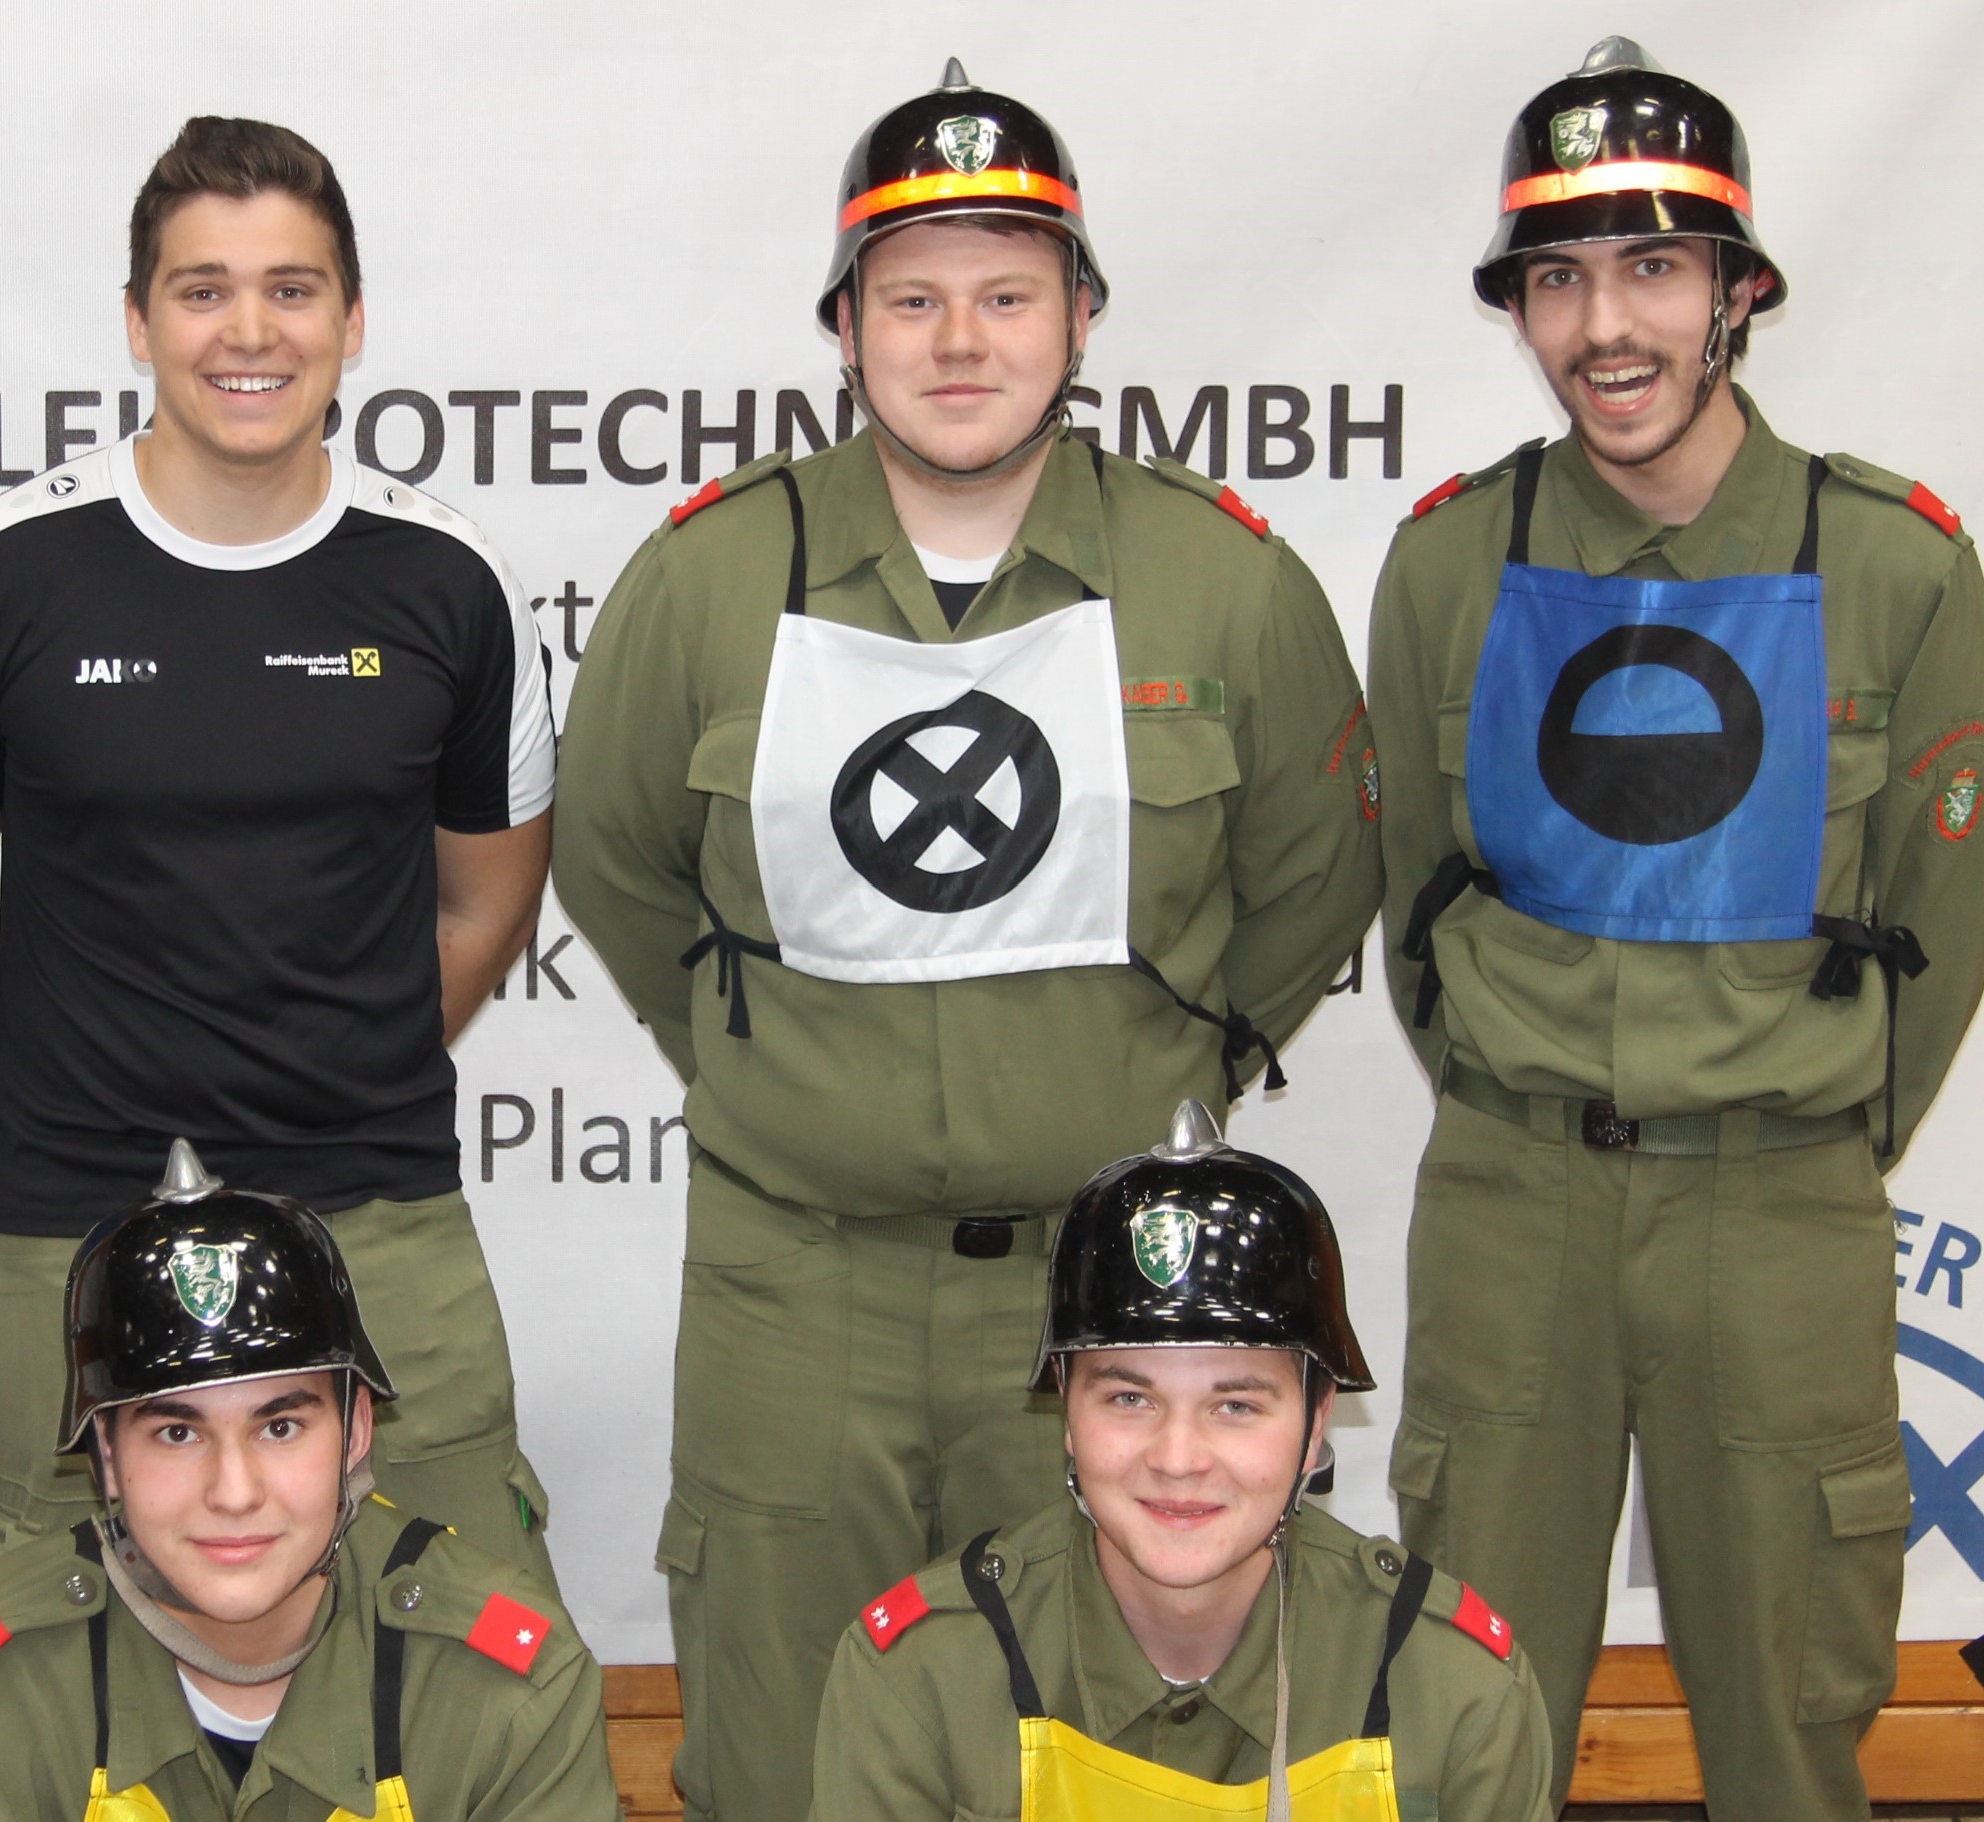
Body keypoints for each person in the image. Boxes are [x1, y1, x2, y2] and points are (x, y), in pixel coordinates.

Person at [550, 59, 1381, 1822]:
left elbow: (1315, 877)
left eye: (1006, 294)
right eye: (910, 298)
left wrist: (1173, 1064)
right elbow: (619, 860)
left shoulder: (1221, 579)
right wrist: (765, 1066)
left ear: (1080, 317)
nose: (957, 341)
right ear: (844, 328)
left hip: (1108, 1306)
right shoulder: (708, 580)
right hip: (795, 1284)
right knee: (779, 1757)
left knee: (1084, 1763)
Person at [1370, 38, 1984, 1819]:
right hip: (1514, 1208)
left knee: (1792, 1718)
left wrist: (1804, 1123)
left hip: (1774, 1211)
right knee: (1463, 1718)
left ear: (1736, 290)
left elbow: (1937, 922)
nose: (1604, 326)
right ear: (1519, 309)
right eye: (1557, 279)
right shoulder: (1447, 563)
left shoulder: (1895, 564)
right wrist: (1525, 1083)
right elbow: (1416, 890)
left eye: (1651, 266)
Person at [0, 115, 558, 1581]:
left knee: (458, 1623)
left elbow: (485, 905)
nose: (249, 332)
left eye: (292, 288)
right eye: (202, 290)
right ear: (137, 321)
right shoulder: (3, 574)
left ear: (352, 319)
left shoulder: (447, 581)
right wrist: (58, 1087)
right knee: (56, 1640)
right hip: (73, 1225)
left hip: (382, 1212)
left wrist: (337, 1077)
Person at [808, 1103, 1554, 1821]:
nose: (1178, 1458)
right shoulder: (923, 1678)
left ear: (1316, 1419)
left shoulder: (1449, 1688)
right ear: (1065, 1408)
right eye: (1129, 1399)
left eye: (1236, 1406)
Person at [0, 1142, 616, 1821]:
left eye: (279, 1427)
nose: (234, 1492)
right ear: (106, 1456)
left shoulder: (506, 1690)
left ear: (356, 1432)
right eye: (177, 1433)